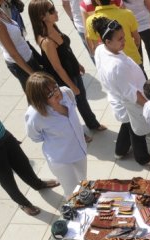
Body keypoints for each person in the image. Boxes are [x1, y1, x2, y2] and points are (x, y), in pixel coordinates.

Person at [28, 0, 107, 140]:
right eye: (51, 10)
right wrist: (71, 86)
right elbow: (57, 68)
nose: (56, 11)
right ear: (41, 16)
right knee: (70, 106)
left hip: (73, 71)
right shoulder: (46, 41)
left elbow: (66, 49)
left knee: (82, 99)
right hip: (64, 78)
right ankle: (78, 133)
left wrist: (77, 64)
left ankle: (93, 123)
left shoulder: (53, 26)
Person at [92, 17, 150, 166]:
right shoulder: (116, 66)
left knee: (127, 125)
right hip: (130, 103)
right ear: (107, 41)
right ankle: (142, 157)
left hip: (119, 97)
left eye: (124, 36)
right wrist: (149, 106)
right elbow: (131, 94)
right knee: (137, 130)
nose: (125, 40)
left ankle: (120, 150)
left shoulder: (100, 49)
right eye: (120, 39)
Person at [24, 72, 87, 198]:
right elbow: (35, 136)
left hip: (80, 150)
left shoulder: (67, 93)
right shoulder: (34, 115)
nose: (56, 93)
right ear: (39, 98)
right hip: (61, 159)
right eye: (49, 94)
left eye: (55, 87)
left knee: (83, 182)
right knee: (72, 191)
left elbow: (73, 107)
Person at [0, 119, 60, 216]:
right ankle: (23, 203)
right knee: (7, 180)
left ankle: (37, 184)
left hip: (3, 135)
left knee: (23, 163)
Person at [85, 0, 143, 70]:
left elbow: (95, 47)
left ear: (96, 1)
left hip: (112, 66)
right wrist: (133, 50)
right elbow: (137, 38)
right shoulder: (127, 13)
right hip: (133, 60)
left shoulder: (90, 21)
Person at [0, 0, 42, 93]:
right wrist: (32, 74)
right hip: (20, 65)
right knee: (36, 95)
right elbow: (13, 53)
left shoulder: (1, 10)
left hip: (27, 56)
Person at [122, 0, 150, 76]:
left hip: (133, 30)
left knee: (138, 58)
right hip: (147, 26)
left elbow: (123, 13)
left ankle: (144, 81)